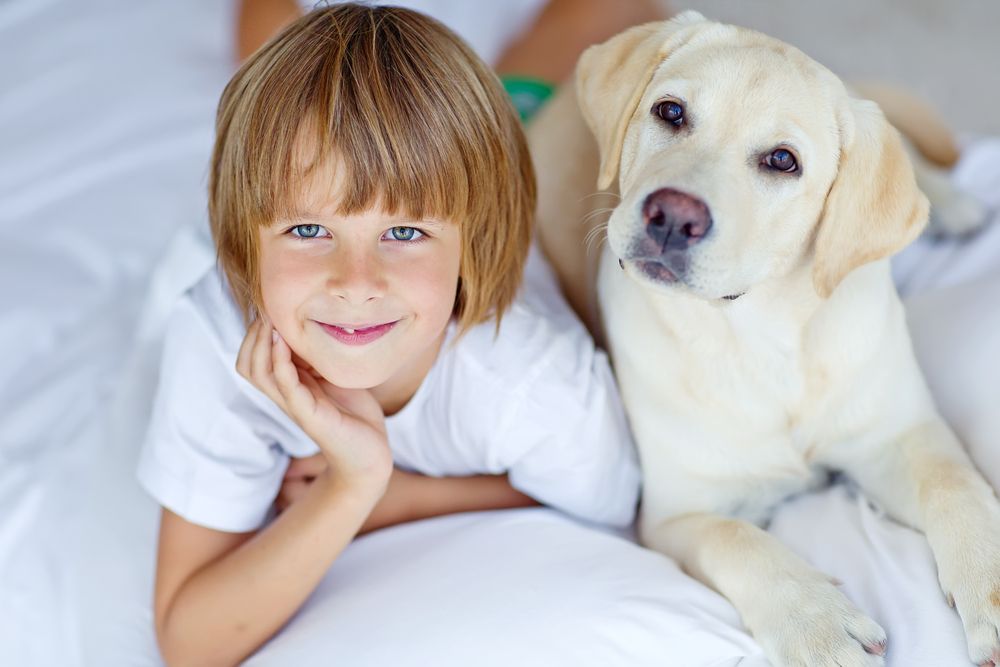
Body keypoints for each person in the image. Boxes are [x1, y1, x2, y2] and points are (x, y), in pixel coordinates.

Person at [136, 5, 639, 665]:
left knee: (530, 86)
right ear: (243, 239)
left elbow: (614, 499)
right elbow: (190, 640)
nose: (355, 281)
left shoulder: (536, 382)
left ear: (471, 244)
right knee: (274, 76)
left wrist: (404, 495)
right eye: (309, 230)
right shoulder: (219, 339)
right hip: (303, 187)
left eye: (404, 233)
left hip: (504, 165)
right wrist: (354, 483)